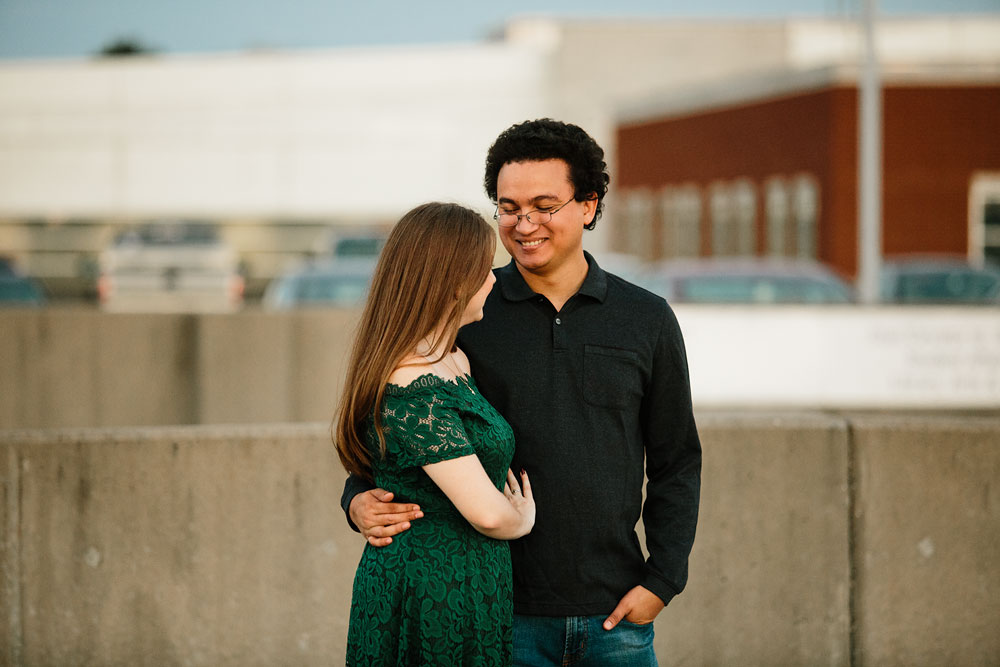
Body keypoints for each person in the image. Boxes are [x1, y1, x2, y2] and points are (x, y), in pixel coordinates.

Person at [343, 119, 701, 666]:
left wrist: (663, 580)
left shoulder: (645, 319)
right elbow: (395, 427)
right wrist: (356, 501)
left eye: (544, 205)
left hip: (615, 616)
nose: (524, 223)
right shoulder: (464, 310)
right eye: (509, 207)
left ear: (588, 205)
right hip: (495, 610)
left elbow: (676, 459)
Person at [334, 201, 536, 666]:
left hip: (472, 582)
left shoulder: (454, 359)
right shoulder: (409, 381)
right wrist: (521, 518)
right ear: (451, 283)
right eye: (484, 270)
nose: (493, 280)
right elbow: (487, 513)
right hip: (430, 593)